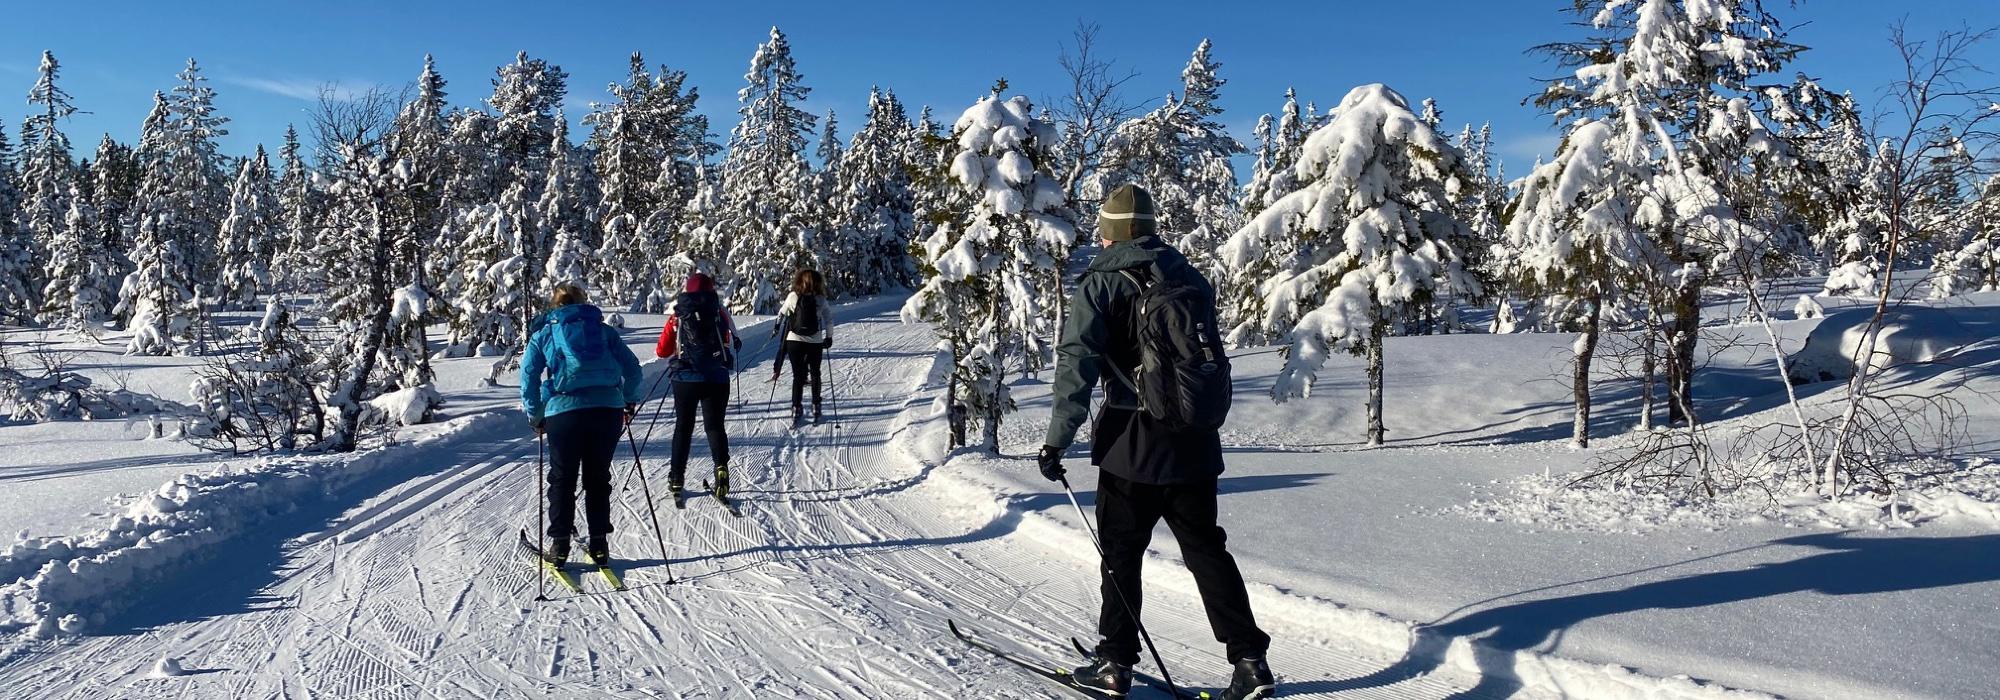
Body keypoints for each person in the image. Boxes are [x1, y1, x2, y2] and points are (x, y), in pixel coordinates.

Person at [1038, 184, 1276, 700]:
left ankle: (1115, 663)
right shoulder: (1187, 274)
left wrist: (1058, 440)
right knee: (1206, 550)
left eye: (1103, 226)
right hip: (1193, 438)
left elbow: (1076, 363)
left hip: (1132, 441)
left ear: (1115, 229)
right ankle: (1250, 660)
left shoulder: (1101, 283)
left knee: (1121, 553)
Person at [520, 284, 644, 565]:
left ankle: (560, 545)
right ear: (582, 303)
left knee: (562, 478)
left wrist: (536, 415)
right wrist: (628, 399)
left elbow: (528, 377)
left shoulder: (545, 333)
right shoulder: (603, 331)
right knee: (598, 478)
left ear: (555, 306)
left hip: (563, 412)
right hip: (607, 410)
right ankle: (600, 544)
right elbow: (633, 369)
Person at [655, 272, 742, 501]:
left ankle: (676, 478)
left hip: (684, 380)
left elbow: (662, 350)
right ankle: (721, 470)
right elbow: (731, 340)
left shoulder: (678, 315)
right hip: (717, 378)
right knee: (715, 427)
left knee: (683, 428)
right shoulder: (719, 312)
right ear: (712, 290)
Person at [772, 268, 834, 426]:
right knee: (815, 373)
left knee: (798, 376)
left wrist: (777, 328)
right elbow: (828, 320)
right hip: (815, 341)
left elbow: (781, 314)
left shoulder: (793, 296)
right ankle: (816, 406)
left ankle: (796, 407)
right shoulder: (820, 299)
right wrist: (829, 337)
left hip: (794, 340)